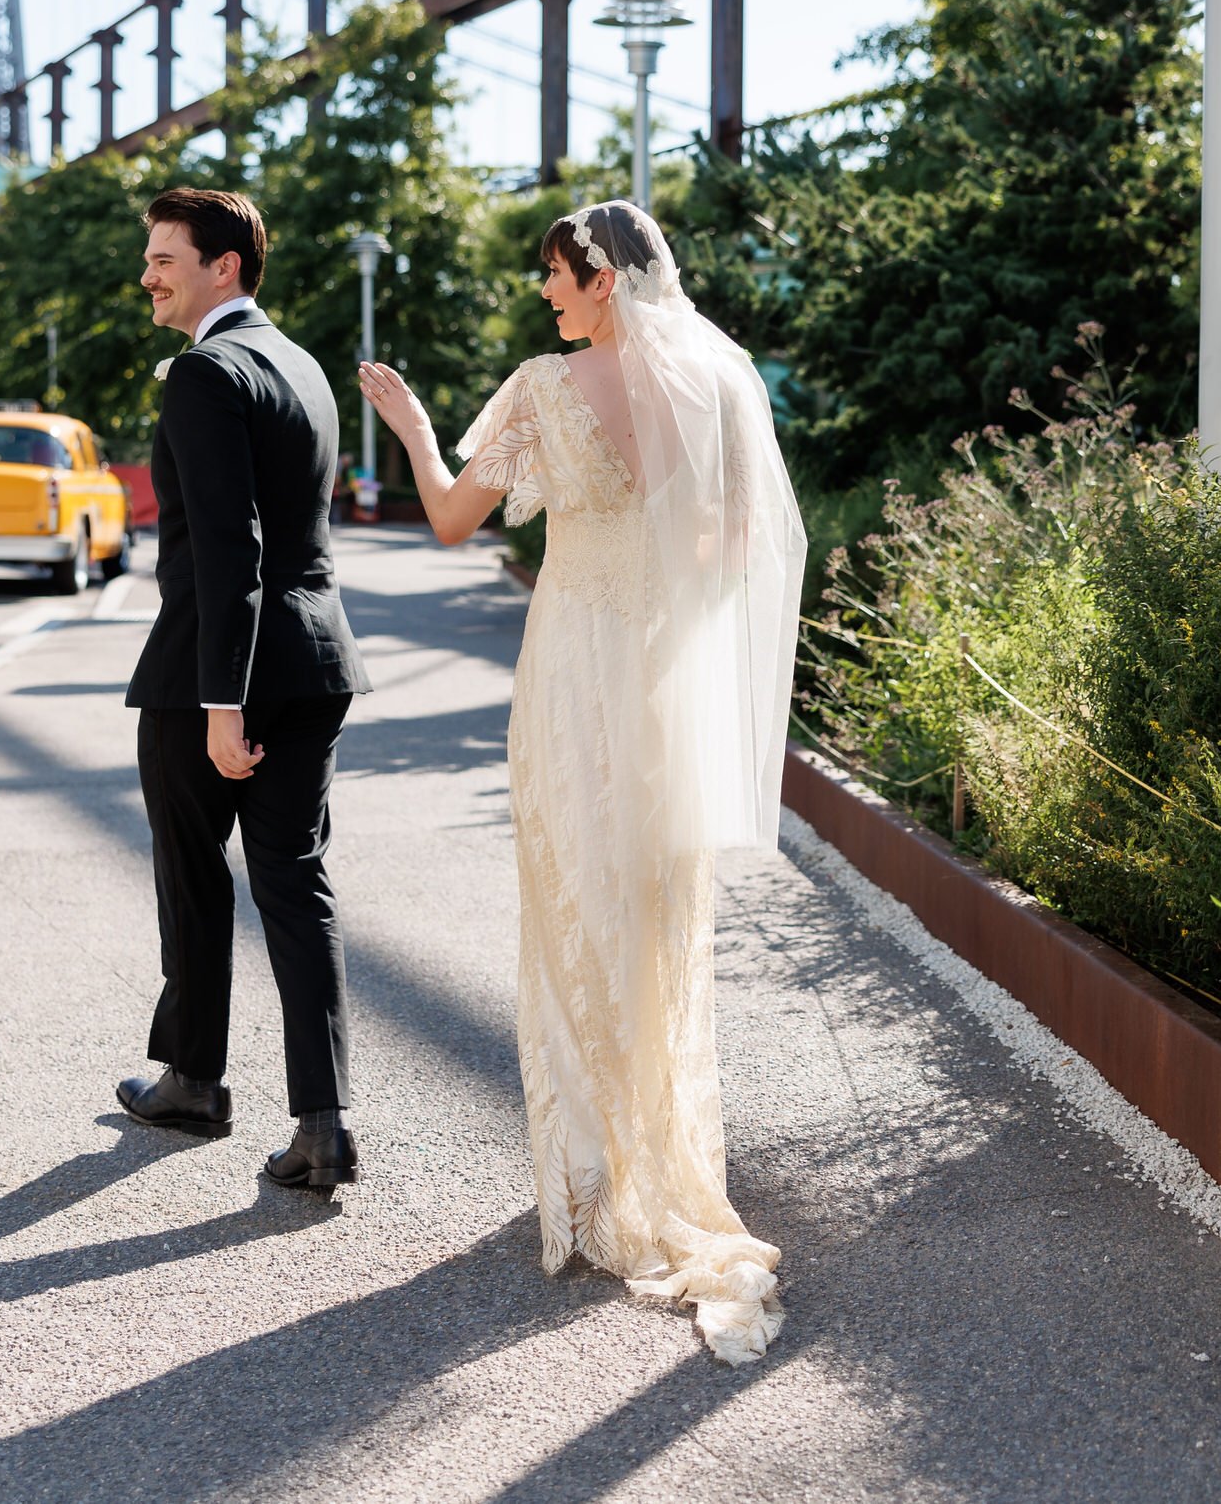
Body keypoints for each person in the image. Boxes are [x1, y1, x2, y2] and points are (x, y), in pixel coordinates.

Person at [358, 200, 806, 1363]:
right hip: (662, 674)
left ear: (602, 279)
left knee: (576, 901)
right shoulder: (716, 385)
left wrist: (413, 427)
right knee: (654, 905)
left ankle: (606, 1167)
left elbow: (451, 516)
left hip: (568, 673)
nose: (546, 291)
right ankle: (657, 1154)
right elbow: (737, 547)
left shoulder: (543, 388)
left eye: (557, 274)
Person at [117, 188, 373, 1190]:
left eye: (164, 258)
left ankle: (194, 1080)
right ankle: (323, 1123)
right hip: (315, 661)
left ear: (222, 266)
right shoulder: (301, 365)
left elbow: (233, 547)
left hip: (217, 672)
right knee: (296, 881)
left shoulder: (205, 371)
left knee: (192, 871)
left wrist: (221, 703)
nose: (148, 275)